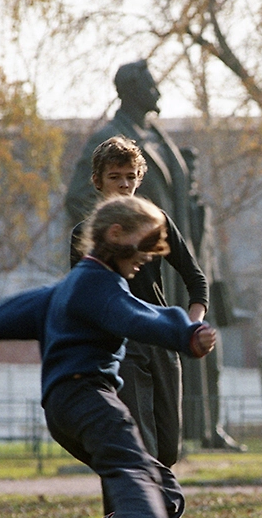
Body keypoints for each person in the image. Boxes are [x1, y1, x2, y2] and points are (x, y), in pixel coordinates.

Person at [0, 196, 222, 518]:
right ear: (115, 236)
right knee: (134, 467)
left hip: (62, 409)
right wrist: (185, 334)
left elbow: (8, 311)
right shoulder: (101, 286)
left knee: (167, 492)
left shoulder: (66, 287)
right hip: (89, 396)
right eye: (143, 250)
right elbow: (138, 317)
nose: (144, 261)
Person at [64, 63, 212, 475]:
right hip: (123, 344)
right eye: (116, 178)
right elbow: (79, 300)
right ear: (100, 181)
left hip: (164, 338)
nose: (125, 186)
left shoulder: (158, 224)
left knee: (167, 450)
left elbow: (195, 278)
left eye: (131, 178)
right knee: (139, 445)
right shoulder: (85, 236)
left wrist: (192, 324)